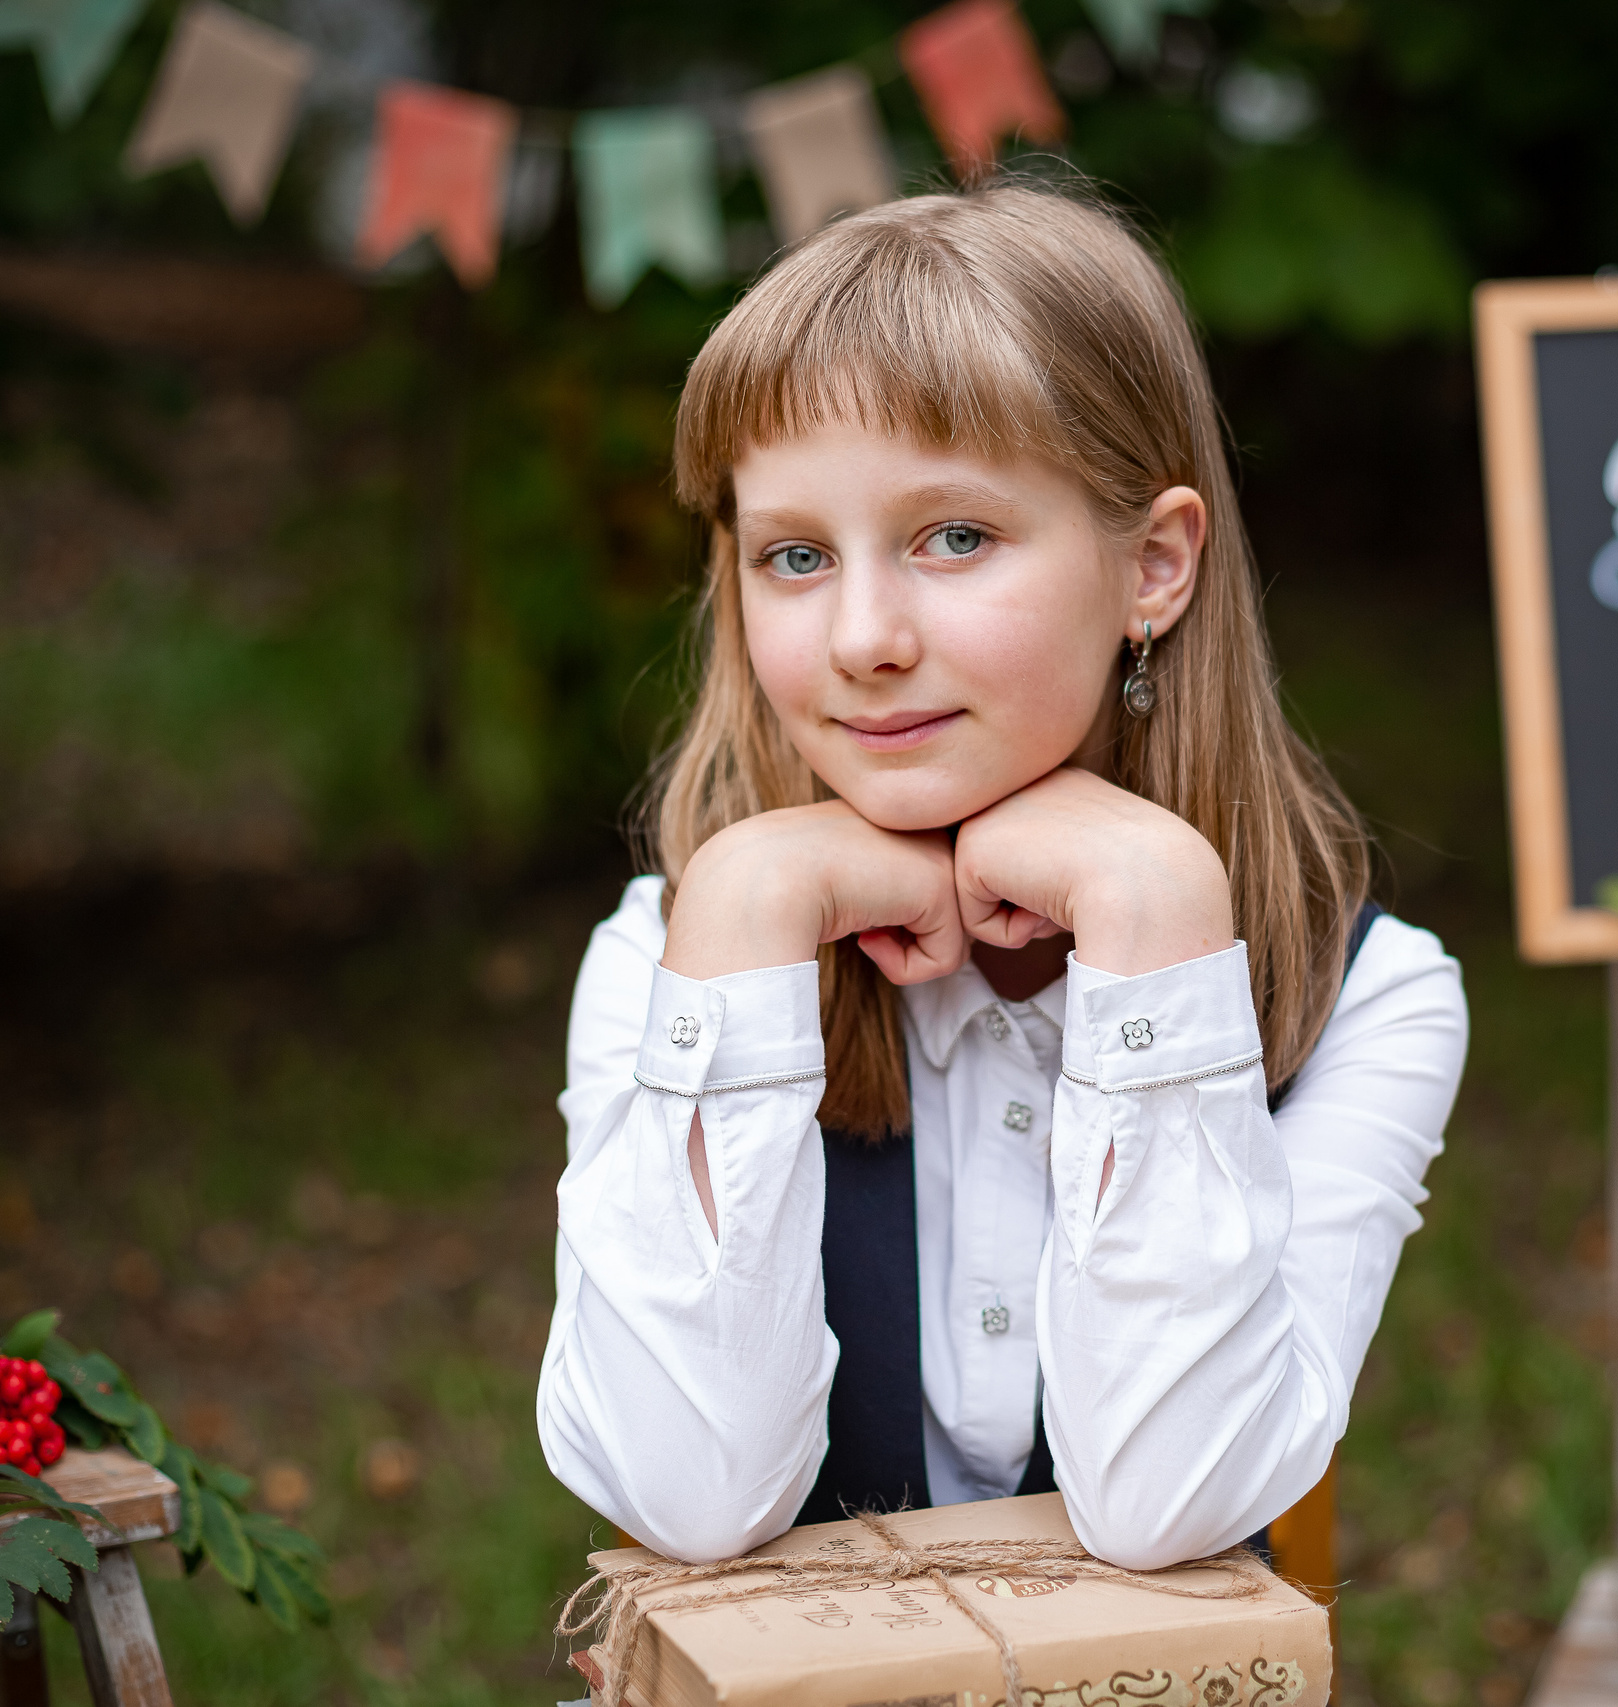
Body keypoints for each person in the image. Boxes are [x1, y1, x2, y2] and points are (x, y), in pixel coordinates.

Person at [535, 181, 1467, 1571]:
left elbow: (1169, 1506)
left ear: (1153, 564)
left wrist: (1155, 913)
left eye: (952, 537)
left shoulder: (1369, 996)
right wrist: (737, 913)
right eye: (795, 555)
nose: (862, 636)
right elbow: (686, 1497)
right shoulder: (669, 964)